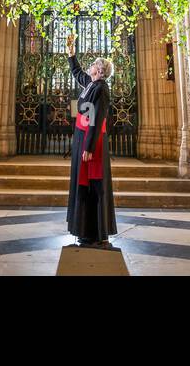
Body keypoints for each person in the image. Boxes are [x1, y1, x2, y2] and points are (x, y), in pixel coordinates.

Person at [66, 38, 117, 249]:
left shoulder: (101, 89)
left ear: (100, 71)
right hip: (82, 137)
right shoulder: (91, 84)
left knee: (95, 186)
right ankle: (85, 230)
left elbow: (96, 120)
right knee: (83, 184)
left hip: (92, 142)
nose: (92, 65)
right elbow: (77, 72)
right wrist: (71, 54)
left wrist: (88, 147)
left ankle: (98, 232)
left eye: (95, 64)